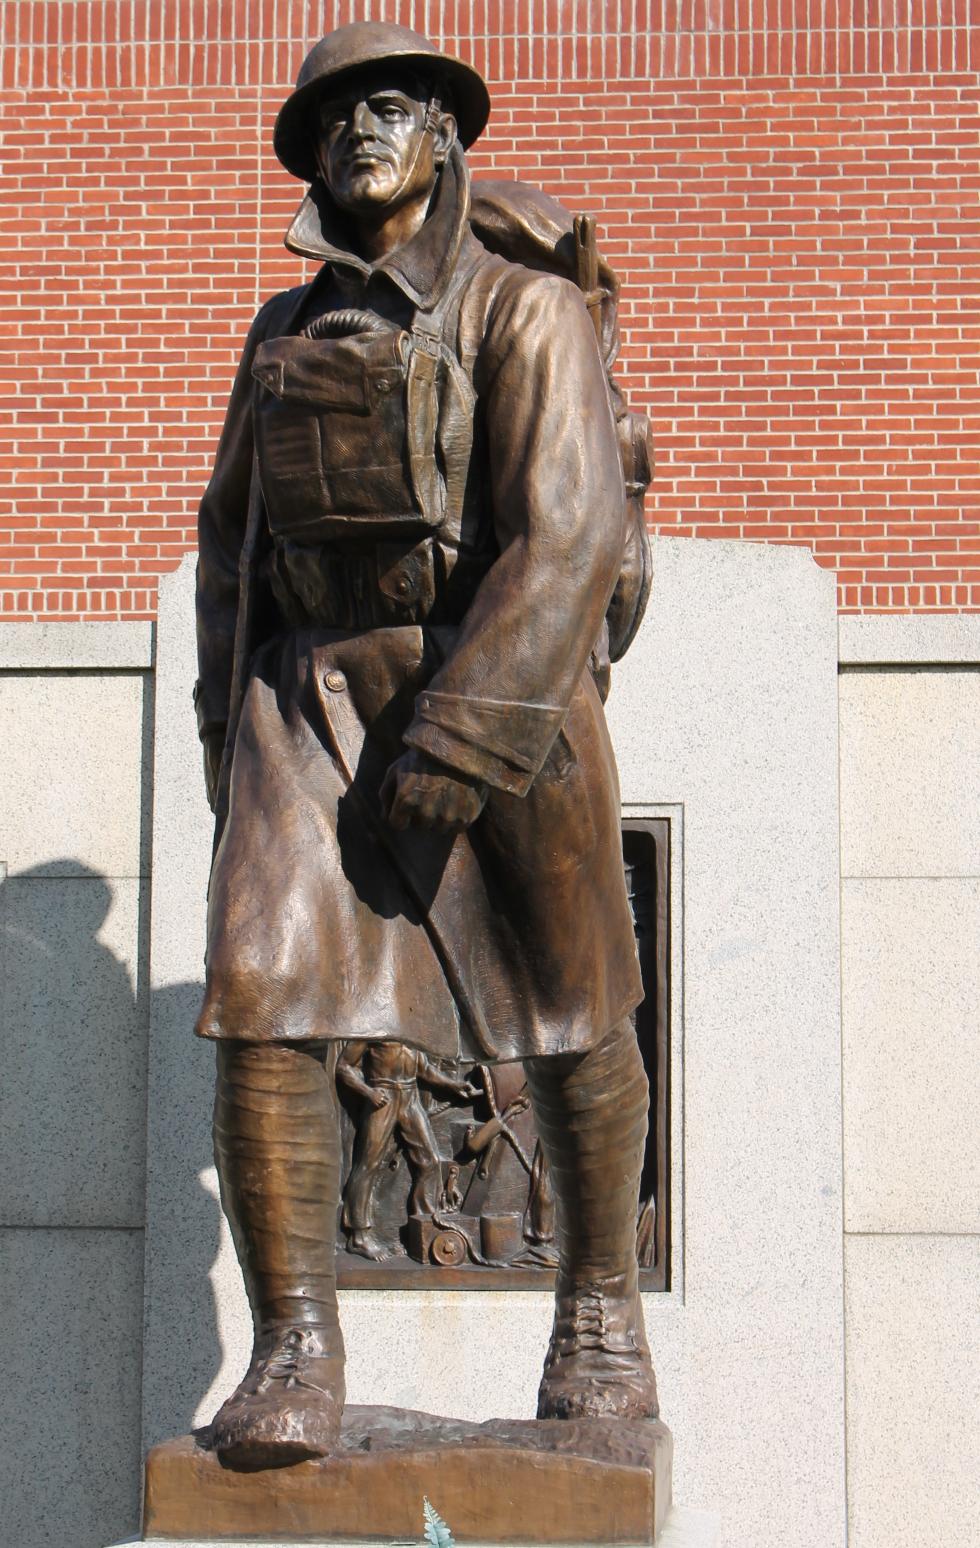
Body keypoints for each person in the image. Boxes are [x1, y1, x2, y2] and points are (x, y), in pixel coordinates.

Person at [193, 21, 658, 1470]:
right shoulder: (279, 333)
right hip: (307, 699)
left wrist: (470, 730)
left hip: (492, 694)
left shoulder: (525, 314)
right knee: (261, 997)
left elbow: (571, 529)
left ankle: (596, 1309)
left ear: (448, 137)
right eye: (333, 120)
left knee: (575, 1011)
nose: (359, 136)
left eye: (390, 110)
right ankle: (295, 1343)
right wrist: (229, 728)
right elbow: (230, 542)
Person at [337, 1039, 479, 1260]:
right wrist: (368, 1092)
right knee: (368, 1164)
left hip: (410, 1097)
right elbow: (344, 1066)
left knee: (429, 1161)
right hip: (383, 1096)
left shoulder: (410, 1026)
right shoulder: (373, 1023)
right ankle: (358, 1237)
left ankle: (424, 1224)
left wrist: (454, 1085)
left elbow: (424, 1069)